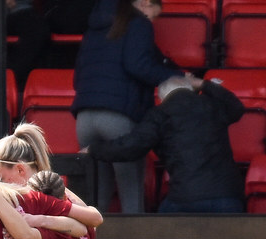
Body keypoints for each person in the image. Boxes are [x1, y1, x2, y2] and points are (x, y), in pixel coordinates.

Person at [72, 0, 182, 213]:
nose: (152, 20)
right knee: (131, 197)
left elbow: (78, 76)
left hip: (84, 119)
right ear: (145, 3)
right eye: (154, 15)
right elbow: (139, 65)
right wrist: (178, 80)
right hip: (118, 118)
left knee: (94, 203)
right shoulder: (139, 24)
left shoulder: (94, 27)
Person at [88, 75, 245, 213]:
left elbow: (130, 147)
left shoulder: (159, 113)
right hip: (227, 196)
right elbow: (236, 107)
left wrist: (93, 149)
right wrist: (205, 84)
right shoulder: (211, 105)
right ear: (191, 89)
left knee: (159, 229)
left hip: (184, 198)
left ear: (162, 97)